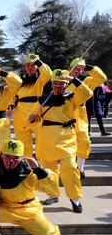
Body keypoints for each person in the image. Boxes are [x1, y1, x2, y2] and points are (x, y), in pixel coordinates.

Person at [29, 69, 93, 213]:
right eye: (55, 83)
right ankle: (53, 194)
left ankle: (75, 198)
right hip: (47, 138)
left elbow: (88, 93)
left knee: (70, 168)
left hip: (66, 138)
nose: (58, 86)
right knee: (49, 170)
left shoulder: (72, 98)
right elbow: (33, 118)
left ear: (66, 84)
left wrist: (73, 79)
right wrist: (33, 118)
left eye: (61, 83)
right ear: (51, 84)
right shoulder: (43, 99)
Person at [68, 58, 108, 178]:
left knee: (84, 142)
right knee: (69, 143)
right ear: (70, 69)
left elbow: (102, 78)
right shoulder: (64, 79)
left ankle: (80, 167)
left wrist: (87, 67)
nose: (78, 71)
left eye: (80, 69)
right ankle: (70, 167)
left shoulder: (87, 81)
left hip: (81, 113)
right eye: (76, 68)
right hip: (66, 113)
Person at [12, 54, 52, 157]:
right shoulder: (20, 80)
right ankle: (26, 165)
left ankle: (42, 164)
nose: (30, 68)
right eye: (27, 66)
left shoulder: (40, 79)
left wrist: (38, 61)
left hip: (36, 110)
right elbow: (12, 94)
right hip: (20, 112)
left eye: (33, 65)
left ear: (37, 67)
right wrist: (10, 105)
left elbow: (48, 74)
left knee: (42, 140)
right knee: (23, 142)